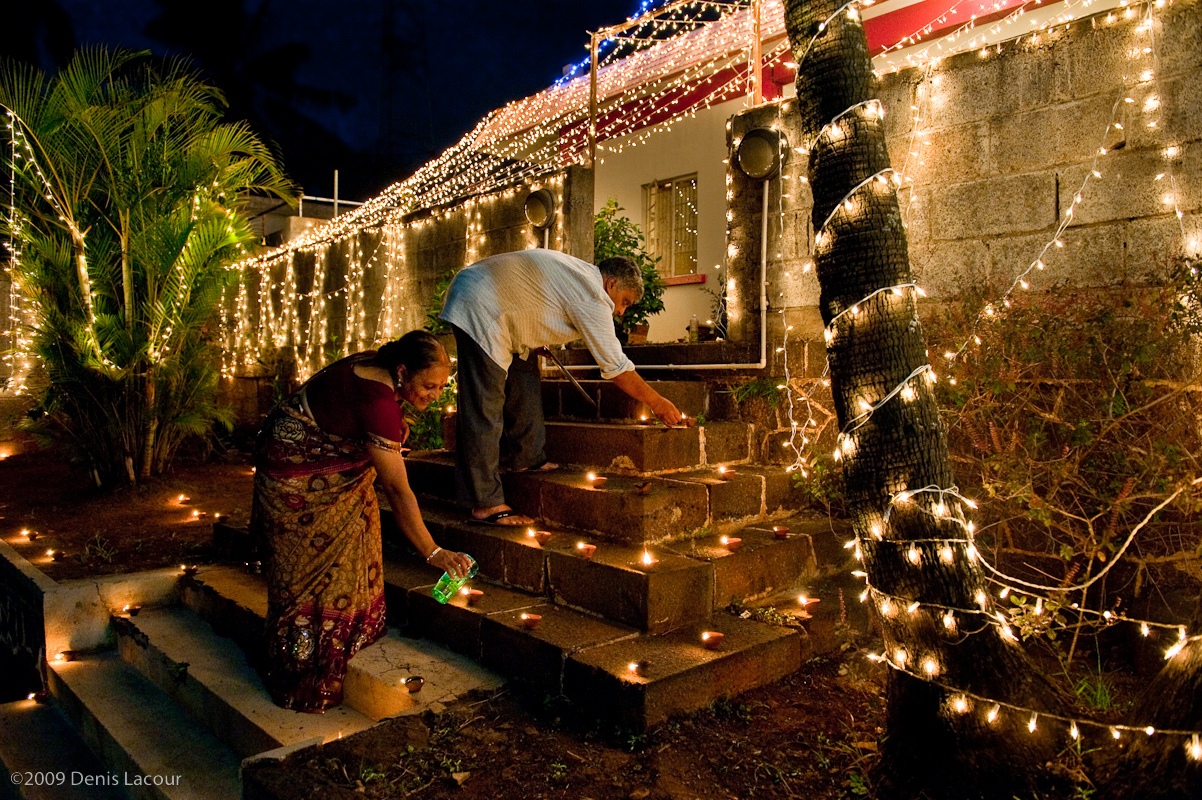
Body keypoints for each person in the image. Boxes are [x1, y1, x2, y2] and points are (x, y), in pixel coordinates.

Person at [250, 330, 473, 713]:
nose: (436, 395)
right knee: (306, 576)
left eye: (441, 386)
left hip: (298, 452)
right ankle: (302, 665)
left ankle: (343, 635)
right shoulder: (377, 402)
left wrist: (394, 423)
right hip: (295, 481)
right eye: (429, 386)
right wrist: (432, 551)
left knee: (359, 518)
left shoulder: (375, 365)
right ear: (401, 372)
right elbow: (398, 491)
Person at [439, 250, 683, 527]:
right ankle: (484, 502)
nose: (620, 311)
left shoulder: (582, 278)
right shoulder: (593, 295)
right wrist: (657, 402)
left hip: (491, 303)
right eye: (624, 302)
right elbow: (617, 367)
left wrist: (537, 331)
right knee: (484, 404)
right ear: (611, 283)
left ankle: (528, 457)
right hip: (479, 304)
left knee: (525, 373)